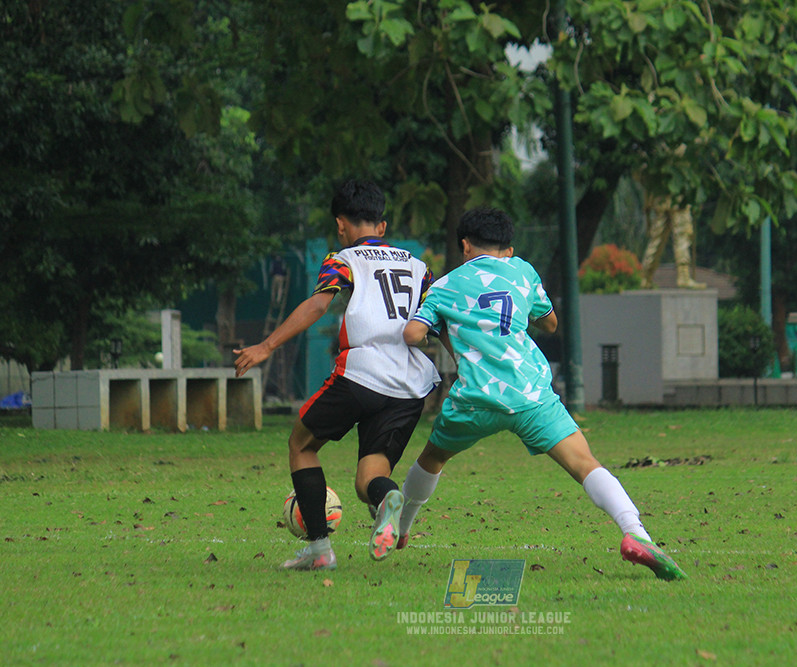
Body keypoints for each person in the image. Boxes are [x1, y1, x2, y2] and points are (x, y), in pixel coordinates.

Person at [396, 206, 687, 580]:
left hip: (475, 398)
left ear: (465, 245)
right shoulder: (523, 272)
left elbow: (412, 334)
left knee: (432, 458)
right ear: (509, 248)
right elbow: (549, 322)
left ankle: (401, 528)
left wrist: (443, 328)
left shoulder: (445, 286)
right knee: (585, 463)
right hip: (529, 393)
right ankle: (635, 533)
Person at [234, 179, 439, 571]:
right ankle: (387, 500)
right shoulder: (419, 267)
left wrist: (266, 346)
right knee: (369, 478)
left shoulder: (344, 259)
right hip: (411, 384)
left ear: (341, 225)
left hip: (362, 374)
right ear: (381, 226)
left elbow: (317, 306)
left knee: (301, 445)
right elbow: (438, 322)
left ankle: (319, 550)